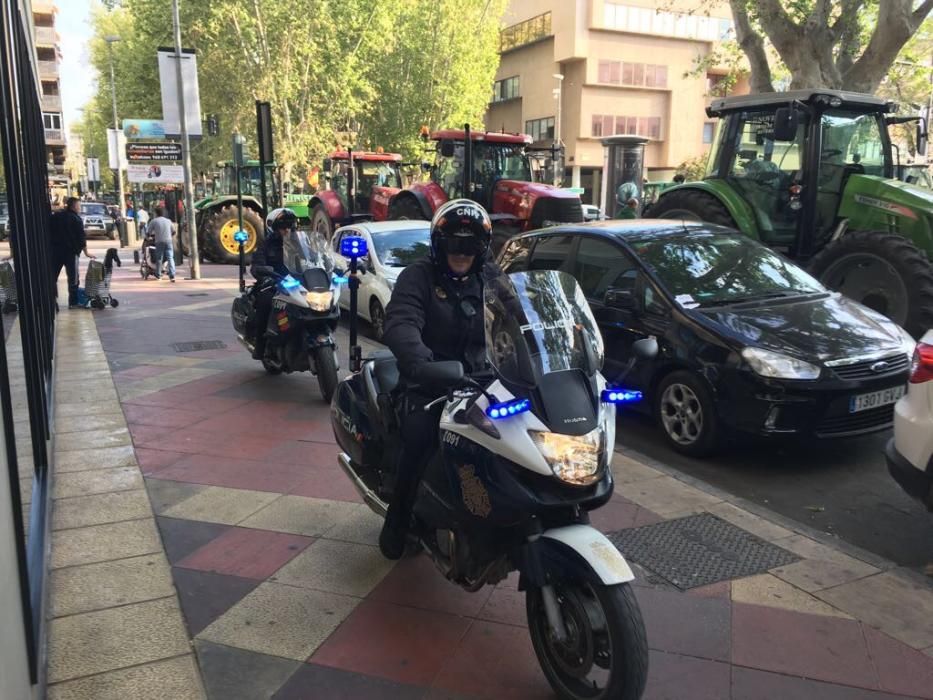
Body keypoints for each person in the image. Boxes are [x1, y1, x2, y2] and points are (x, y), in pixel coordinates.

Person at [378, 198, 496, 559]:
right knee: (418, 441)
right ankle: (397, 525)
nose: (462, 253)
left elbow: (519, 316)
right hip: (430, 384)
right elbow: (401, 323)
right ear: (438, 244)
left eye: (471, 245)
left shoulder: (491, 278)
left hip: (484, 381)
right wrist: (422, 363)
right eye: (454, 244)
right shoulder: (419, 277)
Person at [249, 208, 295, 361]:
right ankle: (260, 346)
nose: (287, 231)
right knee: (265, 302)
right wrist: (264, 273)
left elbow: (315, 259)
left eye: (290, 227)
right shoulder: (266, 244)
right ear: (274, 228)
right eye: (283, 228)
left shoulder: (298, 244)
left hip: (296, 284)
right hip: (273, 283)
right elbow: (256, 265)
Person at [49, 196, 93, 308]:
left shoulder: (56, 216)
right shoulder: (76, 219)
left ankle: (52, 301)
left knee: (52, 276)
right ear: (74, 206)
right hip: (71, 253)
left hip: (55, 251)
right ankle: (73, 302)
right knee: (73, 278)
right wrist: (86, 252)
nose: (80, 207)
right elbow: (81, 238)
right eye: (79, 205)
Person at [148, 205, 176, 282]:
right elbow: (174, 231)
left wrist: (150, 237)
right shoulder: (168, 221)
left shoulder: (154, 221)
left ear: (156, 213)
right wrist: (169, 236)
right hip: (168, 241)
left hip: (159, 241)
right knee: (170, 258)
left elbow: (148, 232)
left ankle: (159, 275)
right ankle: (172, 275)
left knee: (159, 258)